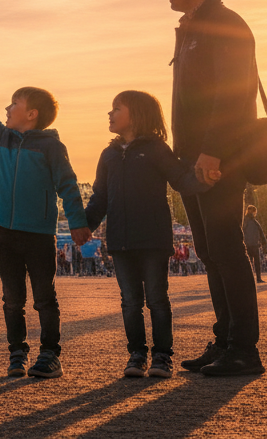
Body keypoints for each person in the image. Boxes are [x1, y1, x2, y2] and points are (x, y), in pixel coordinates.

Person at [0, 65, 91, 380]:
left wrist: (78, 222)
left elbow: (68, 186)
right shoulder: (3, 138)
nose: (7, 108)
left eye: (14, 104)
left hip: (39, 234)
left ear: (32, 114)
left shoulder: (51, 147)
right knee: (12, 299)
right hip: (6, 233)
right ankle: (17, 353)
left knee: (44, 298)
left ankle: (50, 354)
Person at [162, 0, 263, 376]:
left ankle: (244, 349)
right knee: (208, 249)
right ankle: (225, 340)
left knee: (226, 247)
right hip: (194, 157)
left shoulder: (224, 24)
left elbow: (233, 91)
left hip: (218, 156)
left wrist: (213, 149)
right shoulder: (190, 28)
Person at [86, 89, 213, 378]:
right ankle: (136, 354)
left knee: (157, 299)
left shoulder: (156, 149)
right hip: (120, 240)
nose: (110, 113)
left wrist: (205, 179)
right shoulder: (108, 154)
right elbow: (100, 198)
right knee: (130, 301)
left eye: (117, 108)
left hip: (153, 239)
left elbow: (181, 180)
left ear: (138, 114)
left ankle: (162, 356)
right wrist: (85, 226)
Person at [242, 206, 265, 283]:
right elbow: (261, 232)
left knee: (249, 262)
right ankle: (258, 278)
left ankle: (249, 279)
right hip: (255, 244)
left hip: (246, 244)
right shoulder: (254, 221)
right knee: (257, 262)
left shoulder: (244, 221)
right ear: (254, 212)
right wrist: (263, 242)